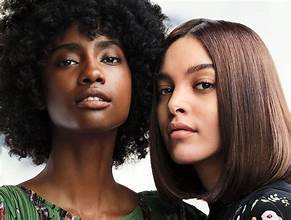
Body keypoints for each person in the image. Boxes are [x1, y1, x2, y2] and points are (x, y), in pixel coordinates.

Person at [0, 0, 195, 219]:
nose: (92, 72)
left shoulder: (175, 216)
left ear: (138, 81)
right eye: (68, 61)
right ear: (35, 88)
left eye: (110, 59)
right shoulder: (8, 211)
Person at [150, 18, 291, 219]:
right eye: (165, 89)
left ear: (249, 95)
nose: (174, 103)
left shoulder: (266, 211)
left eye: (203, 84)